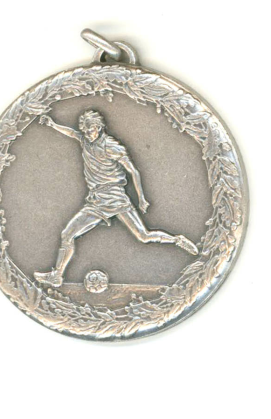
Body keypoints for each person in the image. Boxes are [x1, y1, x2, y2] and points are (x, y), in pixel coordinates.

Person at [34, 110, 198, 287]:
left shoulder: (111, 146)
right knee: (67, 234)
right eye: (85, 131)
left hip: (116, 198)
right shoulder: (85, 141)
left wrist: (141, 198)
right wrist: (52, 124)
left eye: (90, 131)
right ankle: (57, 276)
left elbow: (133, 171)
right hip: (96, 202)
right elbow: (72, 133)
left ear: (98, 128)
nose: (88, 134)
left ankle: (177, 240)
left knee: (143, 236)